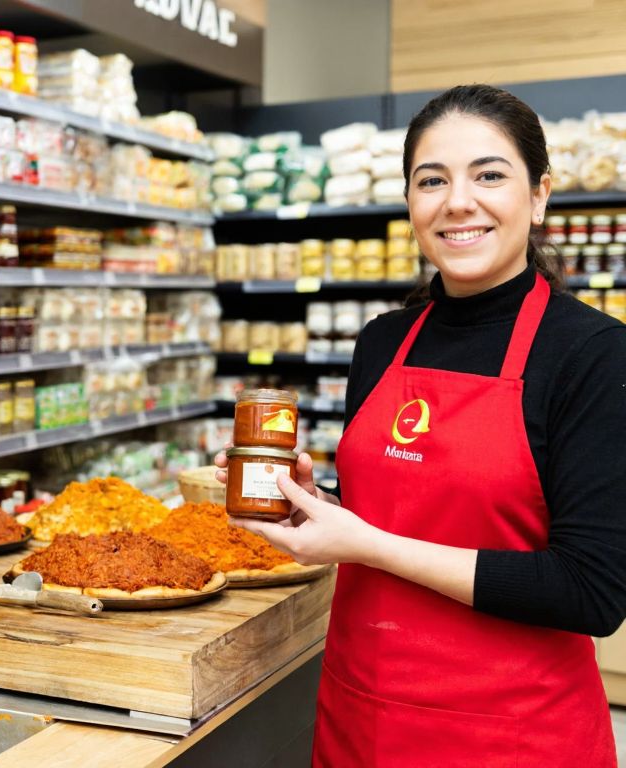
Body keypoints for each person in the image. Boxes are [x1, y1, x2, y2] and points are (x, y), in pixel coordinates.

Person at [217, 84, 626, 767]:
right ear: (410, 202)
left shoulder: (592, 353)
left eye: (489, 175)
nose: (457, 201)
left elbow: (591, 591)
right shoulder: (381, 341)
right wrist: (325, 513)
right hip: (363, 716)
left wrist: (367, 543)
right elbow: (410, 514)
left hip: (513, 734)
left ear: (540, 195)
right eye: (431, 180)